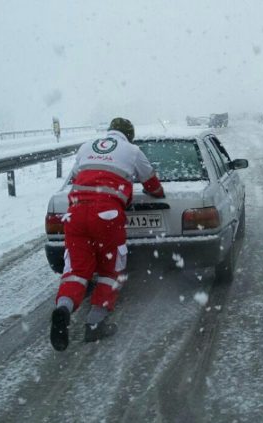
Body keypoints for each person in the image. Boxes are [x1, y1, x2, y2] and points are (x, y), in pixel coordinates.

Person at [50, 117, 165, 351]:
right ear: (129, 136)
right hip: (107, 215)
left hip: (76, 214)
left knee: (76, 270)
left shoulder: (86, 147)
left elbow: (77, 177)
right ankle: (95, 323)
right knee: (110, 270)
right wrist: (158, 192)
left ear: (109, 131)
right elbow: (151, 183)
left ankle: (63, 308)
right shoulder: (132, 151)